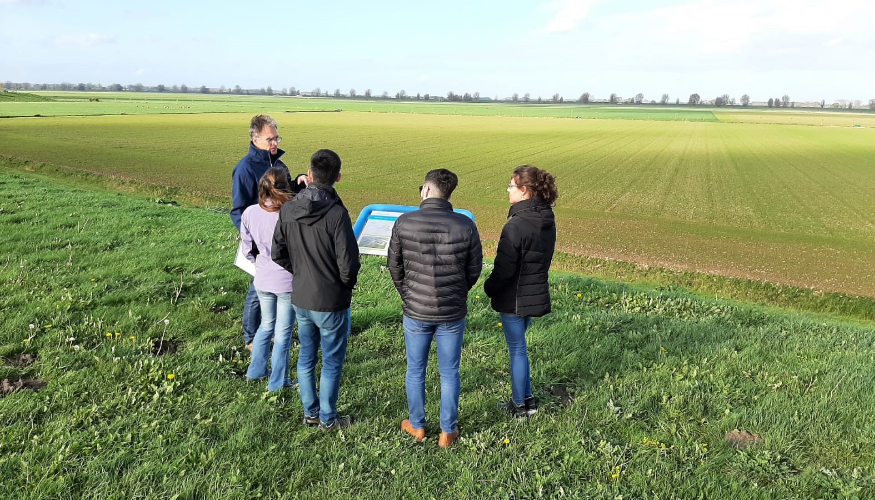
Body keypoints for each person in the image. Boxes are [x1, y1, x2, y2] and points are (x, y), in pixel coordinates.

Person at [387, 169, 483, 447]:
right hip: (452, 310)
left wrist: (407, 293)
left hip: (415, 309)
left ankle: (417, 426)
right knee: (450, 371)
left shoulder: (404, 222)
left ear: (426, 191)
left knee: (415, 369)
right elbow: (474, 268)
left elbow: (395, 265)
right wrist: (458, 291)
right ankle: (447, 431)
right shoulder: (465, 225)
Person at [272, 149, 361, 431]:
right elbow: (349, 263)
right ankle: (328, 418)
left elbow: (277, 253)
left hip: (300, 297)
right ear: (338, 177)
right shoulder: (337, 214)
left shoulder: (287, 209)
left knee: (307, 357)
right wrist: (343, 286)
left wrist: (299, 273)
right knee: (332, 362)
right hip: (331, 299)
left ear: (309, 175)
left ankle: (311, 413)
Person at [484, 165, 558, 418]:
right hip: (535, 292)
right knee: (521, 348)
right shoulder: (546, 219)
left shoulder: (515, 226)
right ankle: (529, 400)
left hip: (514, 298)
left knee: (517, 351)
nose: (508, 190)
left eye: (511, 186)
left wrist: (489, 288)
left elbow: (504, 270)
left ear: (524, 190)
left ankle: (519, 406)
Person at [230, 114, 307, 350]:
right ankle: (250, 338)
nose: (275, 144)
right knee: (258, 287)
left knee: (275, 287)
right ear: (255, 138)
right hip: (260, 240)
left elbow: (283, 195)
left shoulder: (279, 165)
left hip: (283, 237)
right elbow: (238, 210)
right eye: (269, 139)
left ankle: (272, 332)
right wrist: (252, 241)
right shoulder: (245, 169)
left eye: (277, 138)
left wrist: (298, 183)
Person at [241, 167, 296, 392]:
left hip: (262, 278)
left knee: (266, 325)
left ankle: (255, 371)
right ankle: (278, 382)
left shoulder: (250, 213)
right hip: (287, 282)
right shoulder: (290, 215)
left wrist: (260, 263)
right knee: (283, 334)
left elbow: (247, 250)